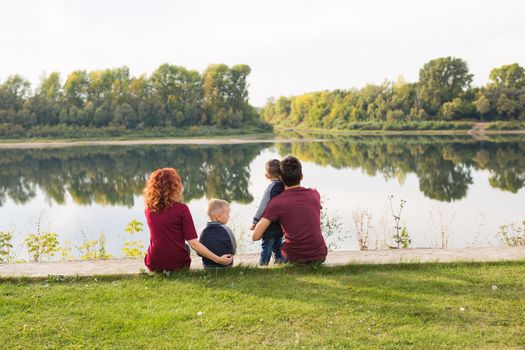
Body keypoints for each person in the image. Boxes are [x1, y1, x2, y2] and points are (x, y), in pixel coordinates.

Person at [143, 168, 233, 272]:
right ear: (174, 187)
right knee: (185, 247)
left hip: (154, 263)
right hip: (177, 264)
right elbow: (193, 243)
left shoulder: (148, 210)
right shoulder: (182, 209)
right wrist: (218, 260)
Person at [252, 156, 327, 263]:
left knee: (278, 241)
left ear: (281, 178)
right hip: (319, 256)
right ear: (301, 176)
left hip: (294, 258)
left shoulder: (277, 202)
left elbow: (255, 236)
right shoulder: (314, 194)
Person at [250, 159, 286, 266]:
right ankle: (280, 261)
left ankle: (263, 265)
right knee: (278, 245)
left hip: (269, 225)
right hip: (281, 224)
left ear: (267, 175)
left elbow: (263, 206)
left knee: (267, 246)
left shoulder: (271, 188)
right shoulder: (285, 186)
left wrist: (255, 221)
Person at [199, 198, 237, 269]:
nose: (229, 216)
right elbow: (233, 249)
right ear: (219, 217)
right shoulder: (227, 230)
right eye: (227, 214)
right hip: (226, 265)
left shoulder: (203, 231)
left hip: (208, 266)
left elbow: (199, 252)